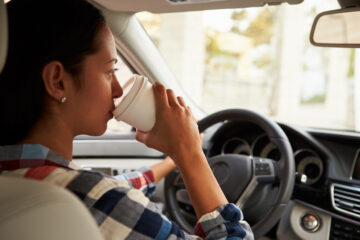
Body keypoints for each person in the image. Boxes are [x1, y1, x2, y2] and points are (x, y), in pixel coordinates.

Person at [0, 0, 253, 239]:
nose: (118, 90)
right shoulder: (100, 199)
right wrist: (189, 153)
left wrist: (169, 162)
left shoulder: (20, 179)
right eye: (109, 71)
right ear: (57, 81)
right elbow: (106, 195)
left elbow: (112, 188)